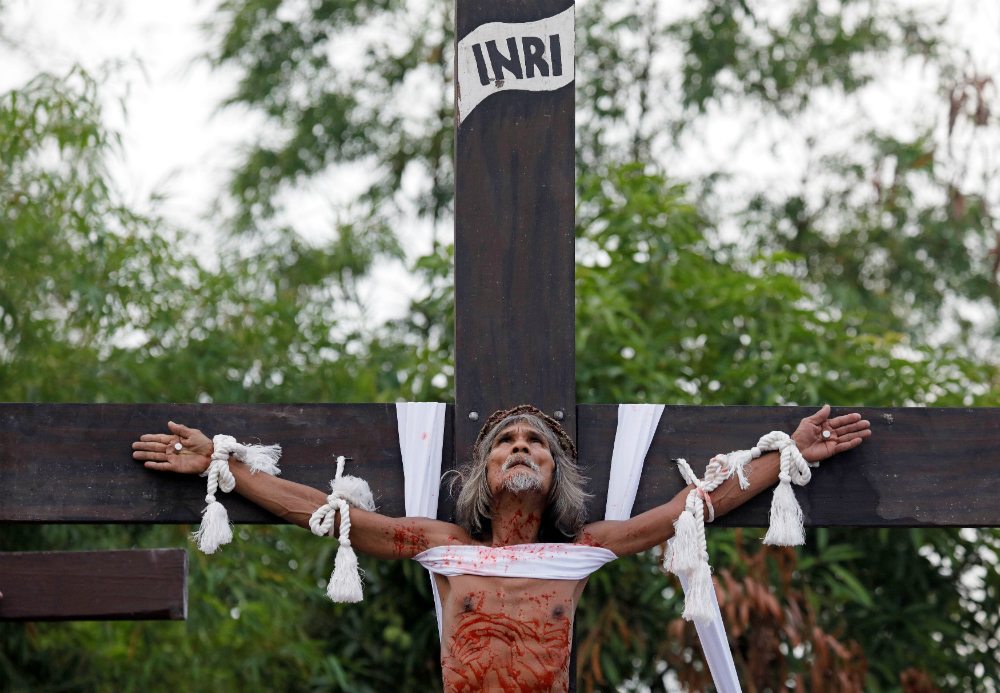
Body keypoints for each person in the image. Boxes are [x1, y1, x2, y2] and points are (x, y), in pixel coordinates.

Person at [132, 404, 871, 693]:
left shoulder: (581, 548)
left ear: (555, 473)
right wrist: (223, 466)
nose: (521, 447)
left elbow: (694, 506)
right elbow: (325, 514)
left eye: (536, 444)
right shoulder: (446, 546)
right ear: (483, 474)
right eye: (506, 442)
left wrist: (788, 455)